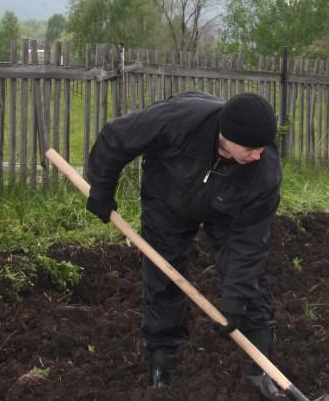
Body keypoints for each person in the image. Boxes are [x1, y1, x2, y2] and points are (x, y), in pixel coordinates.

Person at [84, 90, 284, 399]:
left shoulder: (264, 169)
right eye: (250, 148)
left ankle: (260, 370)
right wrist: (101, 190)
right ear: (227, 135)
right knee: (164, 274)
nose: (258, 155)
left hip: (227, 209)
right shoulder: (178, 120)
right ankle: (162, 361)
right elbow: (117, 138)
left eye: (262, 147)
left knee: (250, 283)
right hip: (168, 196)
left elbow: (249, 245)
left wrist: (235, 303)